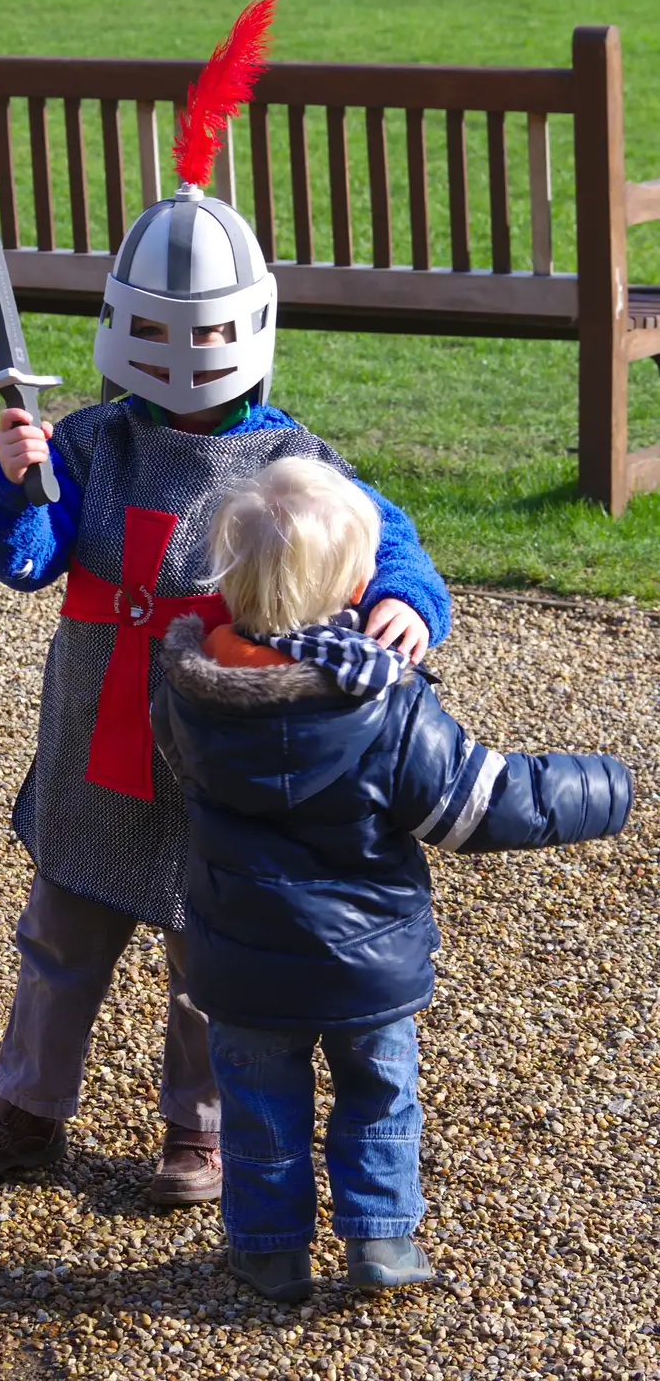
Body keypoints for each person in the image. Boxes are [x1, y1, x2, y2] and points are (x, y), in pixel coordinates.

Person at [0, 0, 451, 1205]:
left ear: (244, 332)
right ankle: (27, 1109)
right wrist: (14, 485)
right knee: (61, 933)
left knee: (202, 957)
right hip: (94, 742)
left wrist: (410, 600)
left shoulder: (293, 458)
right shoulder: (95, 443)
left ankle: (198, 1131)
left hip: (221, 745)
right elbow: (24, 558)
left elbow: (389, 543)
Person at [150, 458, 633, 1296]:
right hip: (364, 966)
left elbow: (172, 766)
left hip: (238, 960)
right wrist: (605, 785)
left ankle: (268, 1248)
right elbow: (478, 804)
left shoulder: (191, 691)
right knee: (378, 1097)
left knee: (260, 1108)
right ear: (358, 581)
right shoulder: (382, 702)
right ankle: (380, 1241)